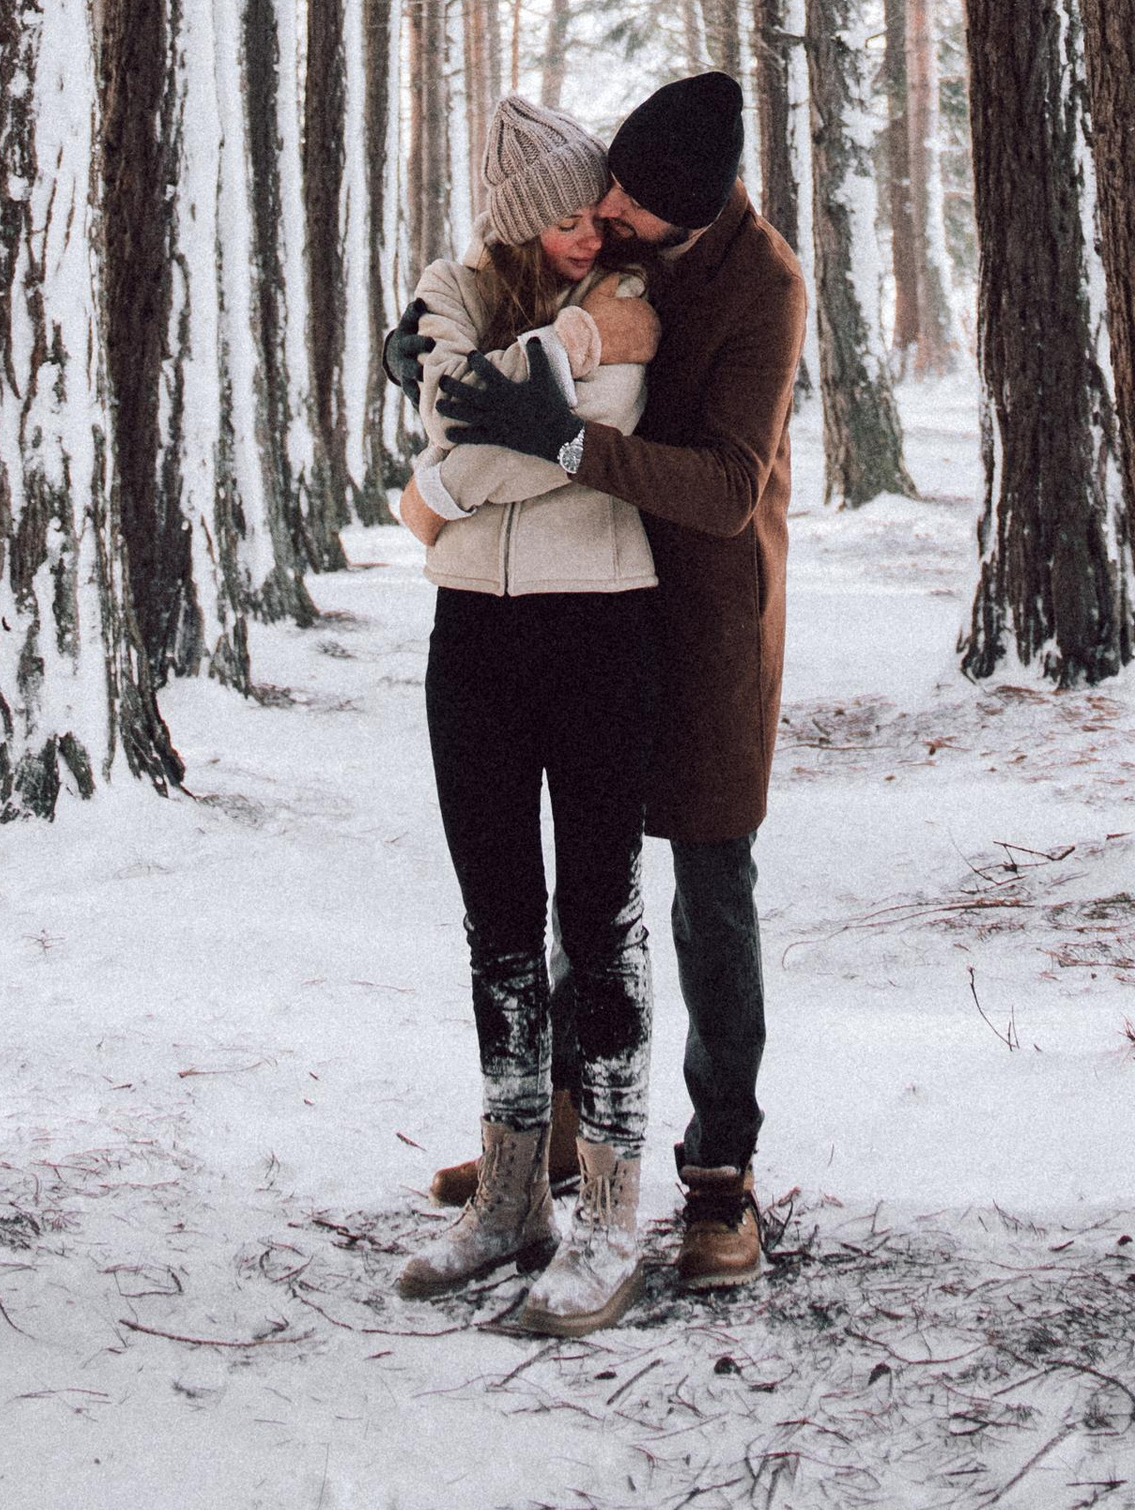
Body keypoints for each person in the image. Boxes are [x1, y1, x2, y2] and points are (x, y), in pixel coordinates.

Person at [397, 68, 804, 1290]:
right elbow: (473, 368)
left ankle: (719, 1172)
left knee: (706, 891)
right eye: (602, 191)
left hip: (706, 613)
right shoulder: (613, 242)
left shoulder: (761, 288)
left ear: (685, 213)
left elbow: (728, 488)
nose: (608, 213)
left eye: (629, 205)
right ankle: (561, 1123)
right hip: (591, 600)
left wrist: (519, 447)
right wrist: (442, 387)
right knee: (589, 881)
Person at [394, 93, 665, 1336]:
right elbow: (455, 406)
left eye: (589, 212)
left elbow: (579, 435)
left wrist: (441, 487)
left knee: (598, 915)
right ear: (512, 226)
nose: (583, 237)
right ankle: (510, 1197)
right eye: (556, 221)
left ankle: (611, 1209)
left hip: (603, 620)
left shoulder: (634, 292)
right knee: (495, 915)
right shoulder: (451, 288)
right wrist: (554, 365)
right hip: (474, 639)